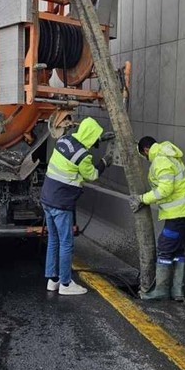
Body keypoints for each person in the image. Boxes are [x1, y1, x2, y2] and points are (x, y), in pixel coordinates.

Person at [40, 117, 112, 295]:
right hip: (61, 203)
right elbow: (92, 174)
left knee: (53, 240)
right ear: (91, 135)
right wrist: (104, 162)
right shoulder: (83, 157)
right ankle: (66, 284)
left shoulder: (65, 140)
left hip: (47, 198)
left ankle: (53, 280)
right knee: (66, 243)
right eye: (96, 137)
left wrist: (100, 139)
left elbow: (79, 142)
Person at [129, 136, 185, 301]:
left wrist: (141, 199)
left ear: (146, 150)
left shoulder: (160, 161)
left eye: (144, 155)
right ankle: (177, 291)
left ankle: (161, 290)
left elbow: (164, 190)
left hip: (179, 216)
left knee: (164, 248)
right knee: (177, 251)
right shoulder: (170, 156)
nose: (146, 159)